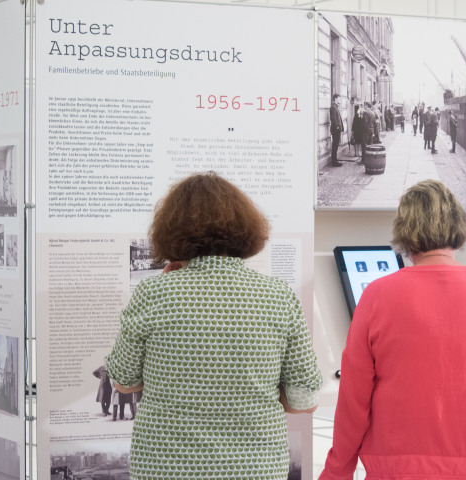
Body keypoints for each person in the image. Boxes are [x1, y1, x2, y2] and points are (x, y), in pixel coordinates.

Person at [106, 172, 322, 480]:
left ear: (171, 230)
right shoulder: (278, 297)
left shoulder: (153, 293)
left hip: (167, 466)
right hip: (254, 468)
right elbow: (305, 400)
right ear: (245, 227)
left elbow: (124, 382)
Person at [319, 179, 466, 480]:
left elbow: (353, 400)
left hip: (397, 468)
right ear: (458, 225)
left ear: (405, 230)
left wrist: (337, 472)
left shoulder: (377, 295)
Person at [329, 93, 344, 167]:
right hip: (335, 129)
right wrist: (337, 127)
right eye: (339, 98)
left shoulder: (335, 107)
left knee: (336, 145)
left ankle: (335, 160)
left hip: (336, 129)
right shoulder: (333, 107)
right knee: (335, 145)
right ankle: (334, 162)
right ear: (335, 99)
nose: (340, 100)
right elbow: (333, 119)